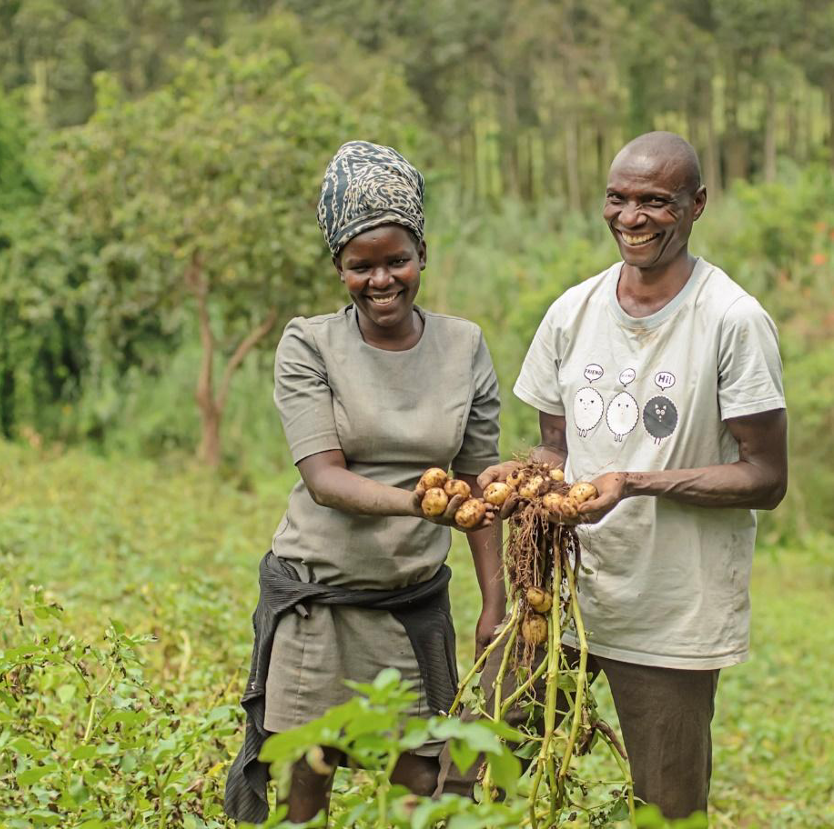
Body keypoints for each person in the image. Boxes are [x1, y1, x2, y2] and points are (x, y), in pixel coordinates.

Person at [474, 131, 788, 818]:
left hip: (670, 609)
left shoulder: (731, 321)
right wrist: (523, 477)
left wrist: (637, 482)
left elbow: (765, 476)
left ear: (696, 204)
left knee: (665, 806)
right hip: (557, 597)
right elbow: (554, 448)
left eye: (655, 201)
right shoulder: (572, 311)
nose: (631, 217)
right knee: (481, 768)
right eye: (618, 199)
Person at [224, 141, 505, 825]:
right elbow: (325, 480)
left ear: (422, 254)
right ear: (338, 268)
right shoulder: (309, 344)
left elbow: (477, 482)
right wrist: (423, 505)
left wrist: (493, 602)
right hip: (318, 603)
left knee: (424, 782)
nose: (381, 279)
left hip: (408, 607)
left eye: (396, 260)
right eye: (361, 265)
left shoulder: (463, 345)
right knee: (307, 781)